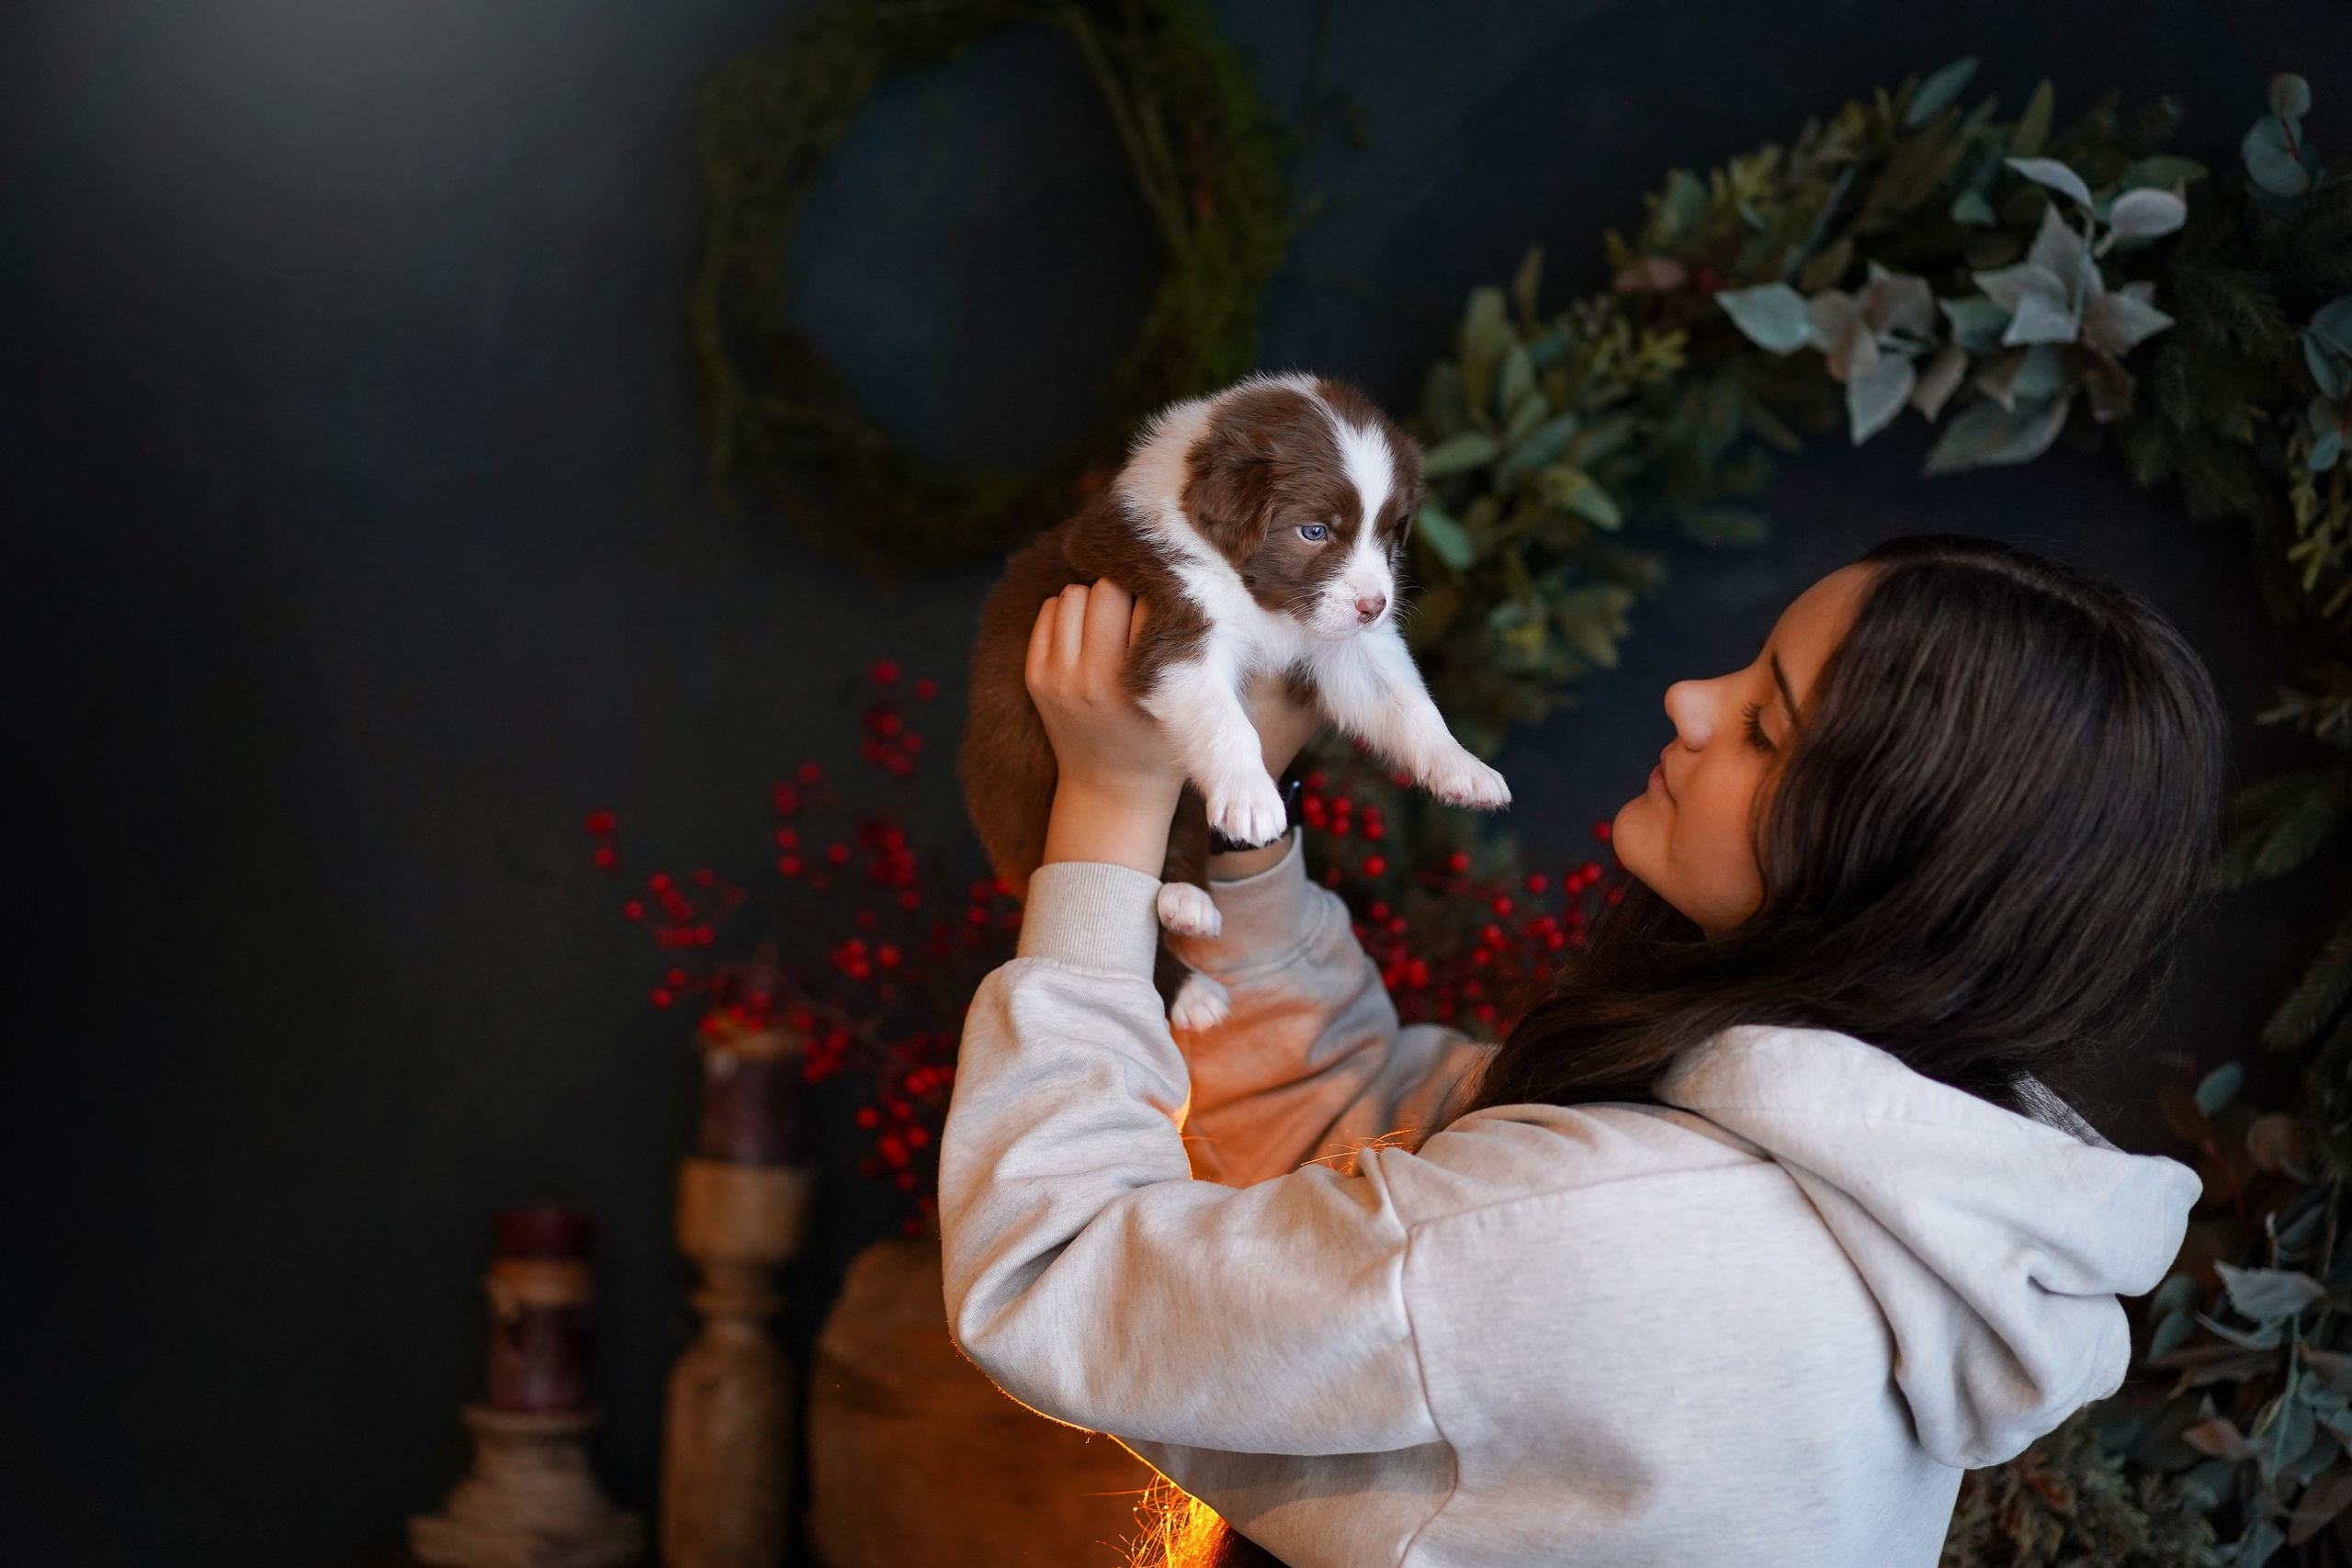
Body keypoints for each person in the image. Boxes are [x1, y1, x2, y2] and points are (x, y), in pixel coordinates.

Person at [937, 535, 2222, 1568]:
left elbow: (1048, 1270)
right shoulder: (1900, 1181)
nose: (1692, 701)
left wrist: (1104, 809)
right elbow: (1381, 1140)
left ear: (1887, 863)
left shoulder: (1606, 1240)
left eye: (1767, 727)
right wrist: (1244, 832)